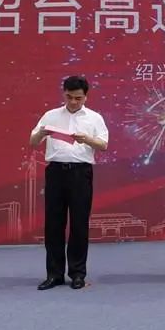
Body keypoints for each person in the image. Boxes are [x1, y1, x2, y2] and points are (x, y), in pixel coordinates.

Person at [30, 76, 109, 290]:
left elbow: (103, 145)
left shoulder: (94, 118)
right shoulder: (51, 115)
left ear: (86, 97)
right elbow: (33, 142)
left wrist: (86, 139)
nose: (73, 102)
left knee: (79, 224)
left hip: (80, 173)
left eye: (78, 98)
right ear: (63, 93)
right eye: (69, 97)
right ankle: (54, 274)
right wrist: (42, 132)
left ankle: (77, 273)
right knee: (53, 224)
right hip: (55, 172)